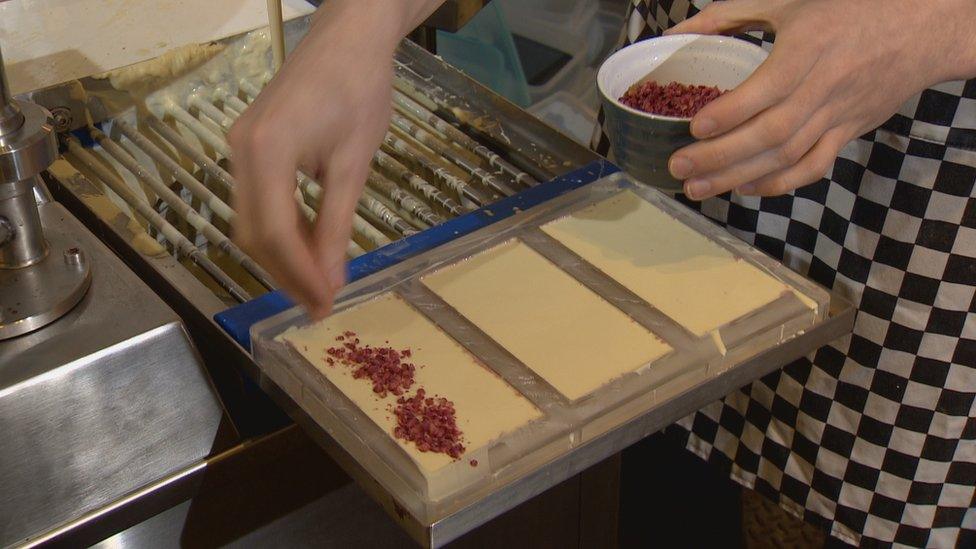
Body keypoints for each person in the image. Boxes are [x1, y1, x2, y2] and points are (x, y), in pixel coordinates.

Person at [228, 1, 976, 546]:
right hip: (668, 123)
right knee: (637, 470)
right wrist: (357, 26)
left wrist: (935, 22)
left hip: (925, 204)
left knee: (863, 496)